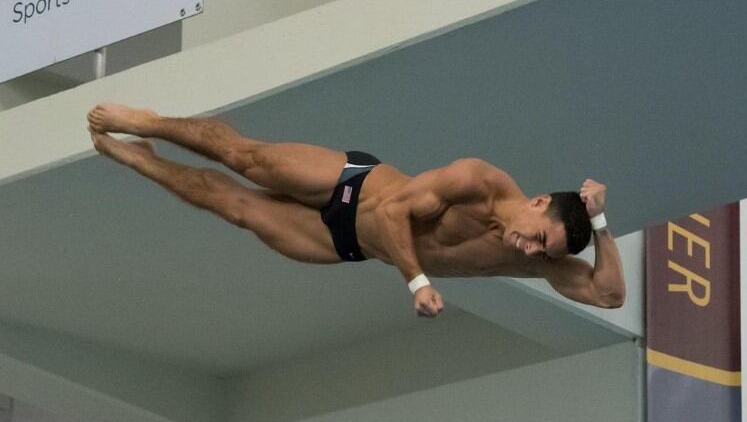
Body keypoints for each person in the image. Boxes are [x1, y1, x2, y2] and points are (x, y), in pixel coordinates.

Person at [87, 103, 626, 317]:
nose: (530, 250)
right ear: (536, 203)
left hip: (345, 244)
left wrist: (599, 222)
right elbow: (394, 212)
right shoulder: (478, 181)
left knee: (237, 208)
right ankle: (150, 124)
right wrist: (417, 281)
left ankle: (143, 162)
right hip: (355, 189)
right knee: (243, 157)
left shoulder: (539, 261)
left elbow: (609, 294)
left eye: (542, 252)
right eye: (538, 237)